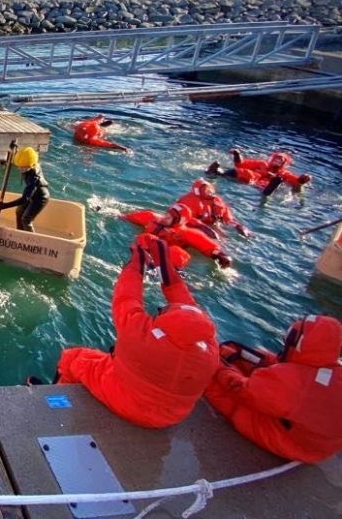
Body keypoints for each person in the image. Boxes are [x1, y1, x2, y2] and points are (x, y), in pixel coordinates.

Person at [56, 233, 219, 428]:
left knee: (72, 358)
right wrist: (164, 268)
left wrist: (136, 262)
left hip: (124, 399)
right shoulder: (210, 351)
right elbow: (184, 305)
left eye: (162, 312)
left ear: (164, 320)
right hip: (170, 418)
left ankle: (54, 403)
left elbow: (126, 295)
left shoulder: (139, 334)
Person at [205, 315, 342, 464]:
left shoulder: (291, 381)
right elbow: (290, 369)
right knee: (242, 360)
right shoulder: (331, 374)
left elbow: (241, 390)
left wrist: (219, 367)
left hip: (287, 441)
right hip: (311, 441)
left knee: (211, 380)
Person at [123, 203, 232, 268]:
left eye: (169, 217)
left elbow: (208, 246)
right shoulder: (150, 217)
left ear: (179, 221)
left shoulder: (188, 233)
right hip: (142, 250)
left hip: (165, 258)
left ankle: (176, 277)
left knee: (177, 252)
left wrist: (221, 256)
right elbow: (125, 216)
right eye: (166, 214)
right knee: (143, 238)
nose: (164, 217)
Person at [207, 149, 311, 197]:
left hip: (263, 185)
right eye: (277, 159)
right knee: (247, 173)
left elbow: (296, 181)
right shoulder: (261, 164)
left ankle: (268, 191)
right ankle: (216, 172)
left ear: (283, 163)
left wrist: (303, 179)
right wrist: (237, 154)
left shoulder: (284, 173)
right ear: (272, 158)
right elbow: (241, 164)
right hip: (251, 181)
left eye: (280, 161)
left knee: (276, 181)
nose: (277, 161)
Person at [0, 147, 49, 232]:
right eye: (19, 166)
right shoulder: (30, 162)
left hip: (40, 198)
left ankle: (30, 240)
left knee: (26, 219)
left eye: (23, 167)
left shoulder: (34, 178)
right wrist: (13, 149)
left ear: (31, 165)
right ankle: (20, 233)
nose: (20, 169)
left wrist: (4, 206)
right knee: (19, 211)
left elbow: (25, 199)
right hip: (32, 195)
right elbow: (21, 158)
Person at [176, 179, 249, 237]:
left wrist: (237, 226)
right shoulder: (188, 200)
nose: (209, 192)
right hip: (195, 227)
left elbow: (228, 218)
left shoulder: (217, 200)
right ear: (198, 192)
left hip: (213, 227)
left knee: (221, 240)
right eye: (206, 190)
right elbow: (182, 218)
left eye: (209, 189)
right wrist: (201, 226)